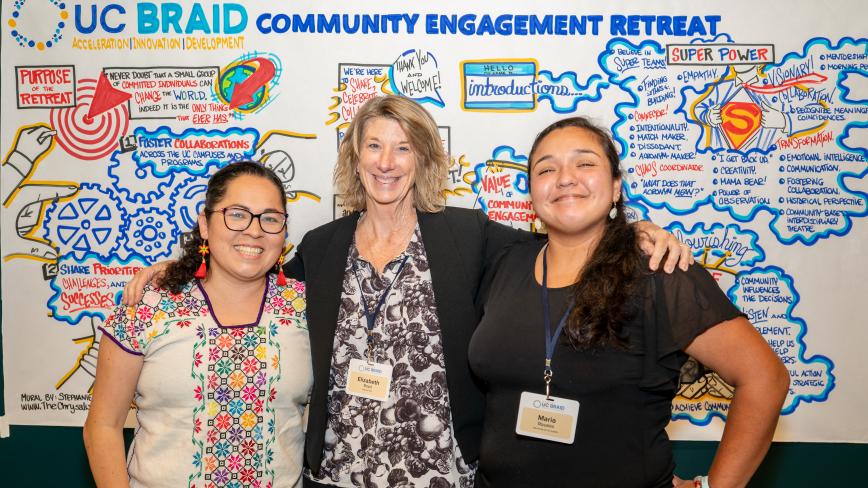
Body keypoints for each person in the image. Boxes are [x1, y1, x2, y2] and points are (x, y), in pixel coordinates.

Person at [123, 95, 692, 487]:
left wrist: (632, 231)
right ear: (355, 158)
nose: (387, 162)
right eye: (373, 146)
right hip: (335, 475)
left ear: (422, 158)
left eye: (402, 147)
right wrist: (175, 272)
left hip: (442, 475)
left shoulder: (465, 235)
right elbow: (248, 269)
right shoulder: (321, 248)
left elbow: (565, 238)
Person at [468, 117, 790, 488]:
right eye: (546, 168)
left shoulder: (658, 272)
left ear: (616, 187)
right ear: (532, 193)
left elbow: (765, 378)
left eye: (585, 163)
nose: (565, 177)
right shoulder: (505, 263)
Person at [84, 162, 312, 487]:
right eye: (236, 214)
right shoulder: (149, 306)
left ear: (284, 231)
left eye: (270, 218)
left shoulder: (308, 308)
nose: (254, 230)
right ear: (205, 224)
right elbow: (103, 425)